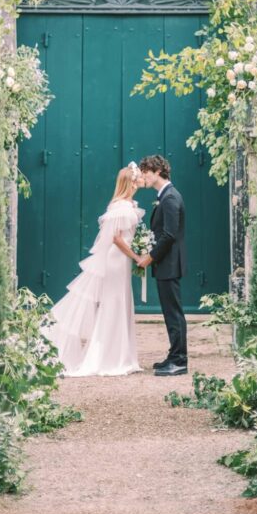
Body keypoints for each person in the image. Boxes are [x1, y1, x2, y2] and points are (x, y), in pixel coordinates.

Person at [46, 164, 145, 377]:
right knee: (114, 303)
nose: (140, 182)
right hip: (117, 260)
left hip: (122, 260)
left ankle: (122, 355)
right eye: (138, 179)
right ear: (132, 182)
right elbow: (117, 239)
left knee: (121, 302)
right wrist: (137, 256)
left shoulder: (125, 205)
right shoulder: (121, 207)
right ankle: (110, 357)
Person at [137, 155, 187, 376]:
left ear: (158, 172)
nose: (143, 177)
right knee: (170, 312)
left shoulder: (170, 198)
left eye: (146, 172)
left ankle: (179, 361)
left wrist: (150, 257)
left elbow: (168, 235)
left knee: (174, 313)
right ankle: (174, 355)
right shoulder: (165, 196)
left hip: (168, 264)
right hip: (166, 264)